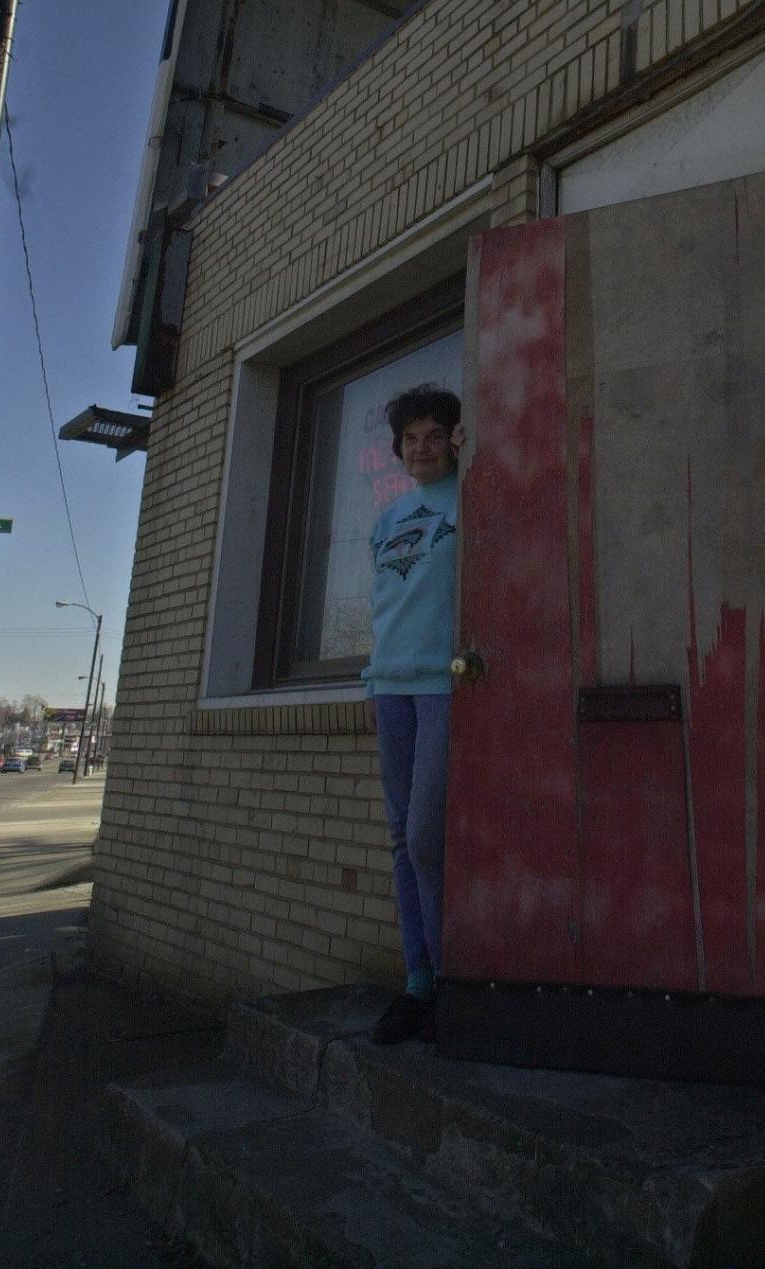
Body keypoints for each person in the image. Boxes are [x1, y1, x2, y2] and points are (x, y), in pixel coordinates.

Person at [362, 382, 462, 1045]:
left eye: (434, 435)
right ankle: (418, 981)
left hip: (443, 682)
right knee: (402, 837)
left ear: (454, 439)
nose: (421, 448)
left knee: (428, 832)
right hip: (388, 683)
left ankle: (458, 980)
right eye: (410, 439)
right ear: (398, 450)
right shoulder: (388, 519)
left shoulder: (474, 498)